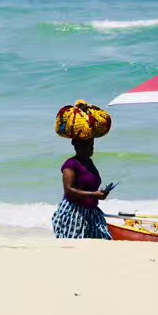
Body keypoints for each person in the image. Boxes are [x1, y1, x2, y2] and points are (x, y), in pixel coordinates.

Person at [51, 100, 113, 240]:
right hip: (74, 213)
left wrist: (101, 194)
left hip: (92, 212)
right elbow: (69, 190)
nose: (91, 148)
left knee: (105, 241)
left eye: (91, 145)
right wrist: (94, 195)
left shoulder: (89, 163)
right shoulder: (71, 164)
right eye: (87, 145)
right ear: (76, 146)